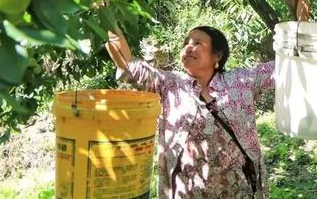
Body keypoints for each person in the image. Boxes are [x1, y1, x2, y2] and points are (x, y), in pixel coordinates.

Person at [105, 26, 274, 198]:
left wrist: (300, 23)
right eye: (185, 43)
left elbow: (283, 68)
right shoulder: (169, 84)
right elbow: (126, 63)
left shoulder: (241, 81)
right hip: (185, 192)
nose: (188, 47)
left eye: (197, 43)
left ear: (217, 55)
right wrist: (107, 15)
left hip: (238, 190)